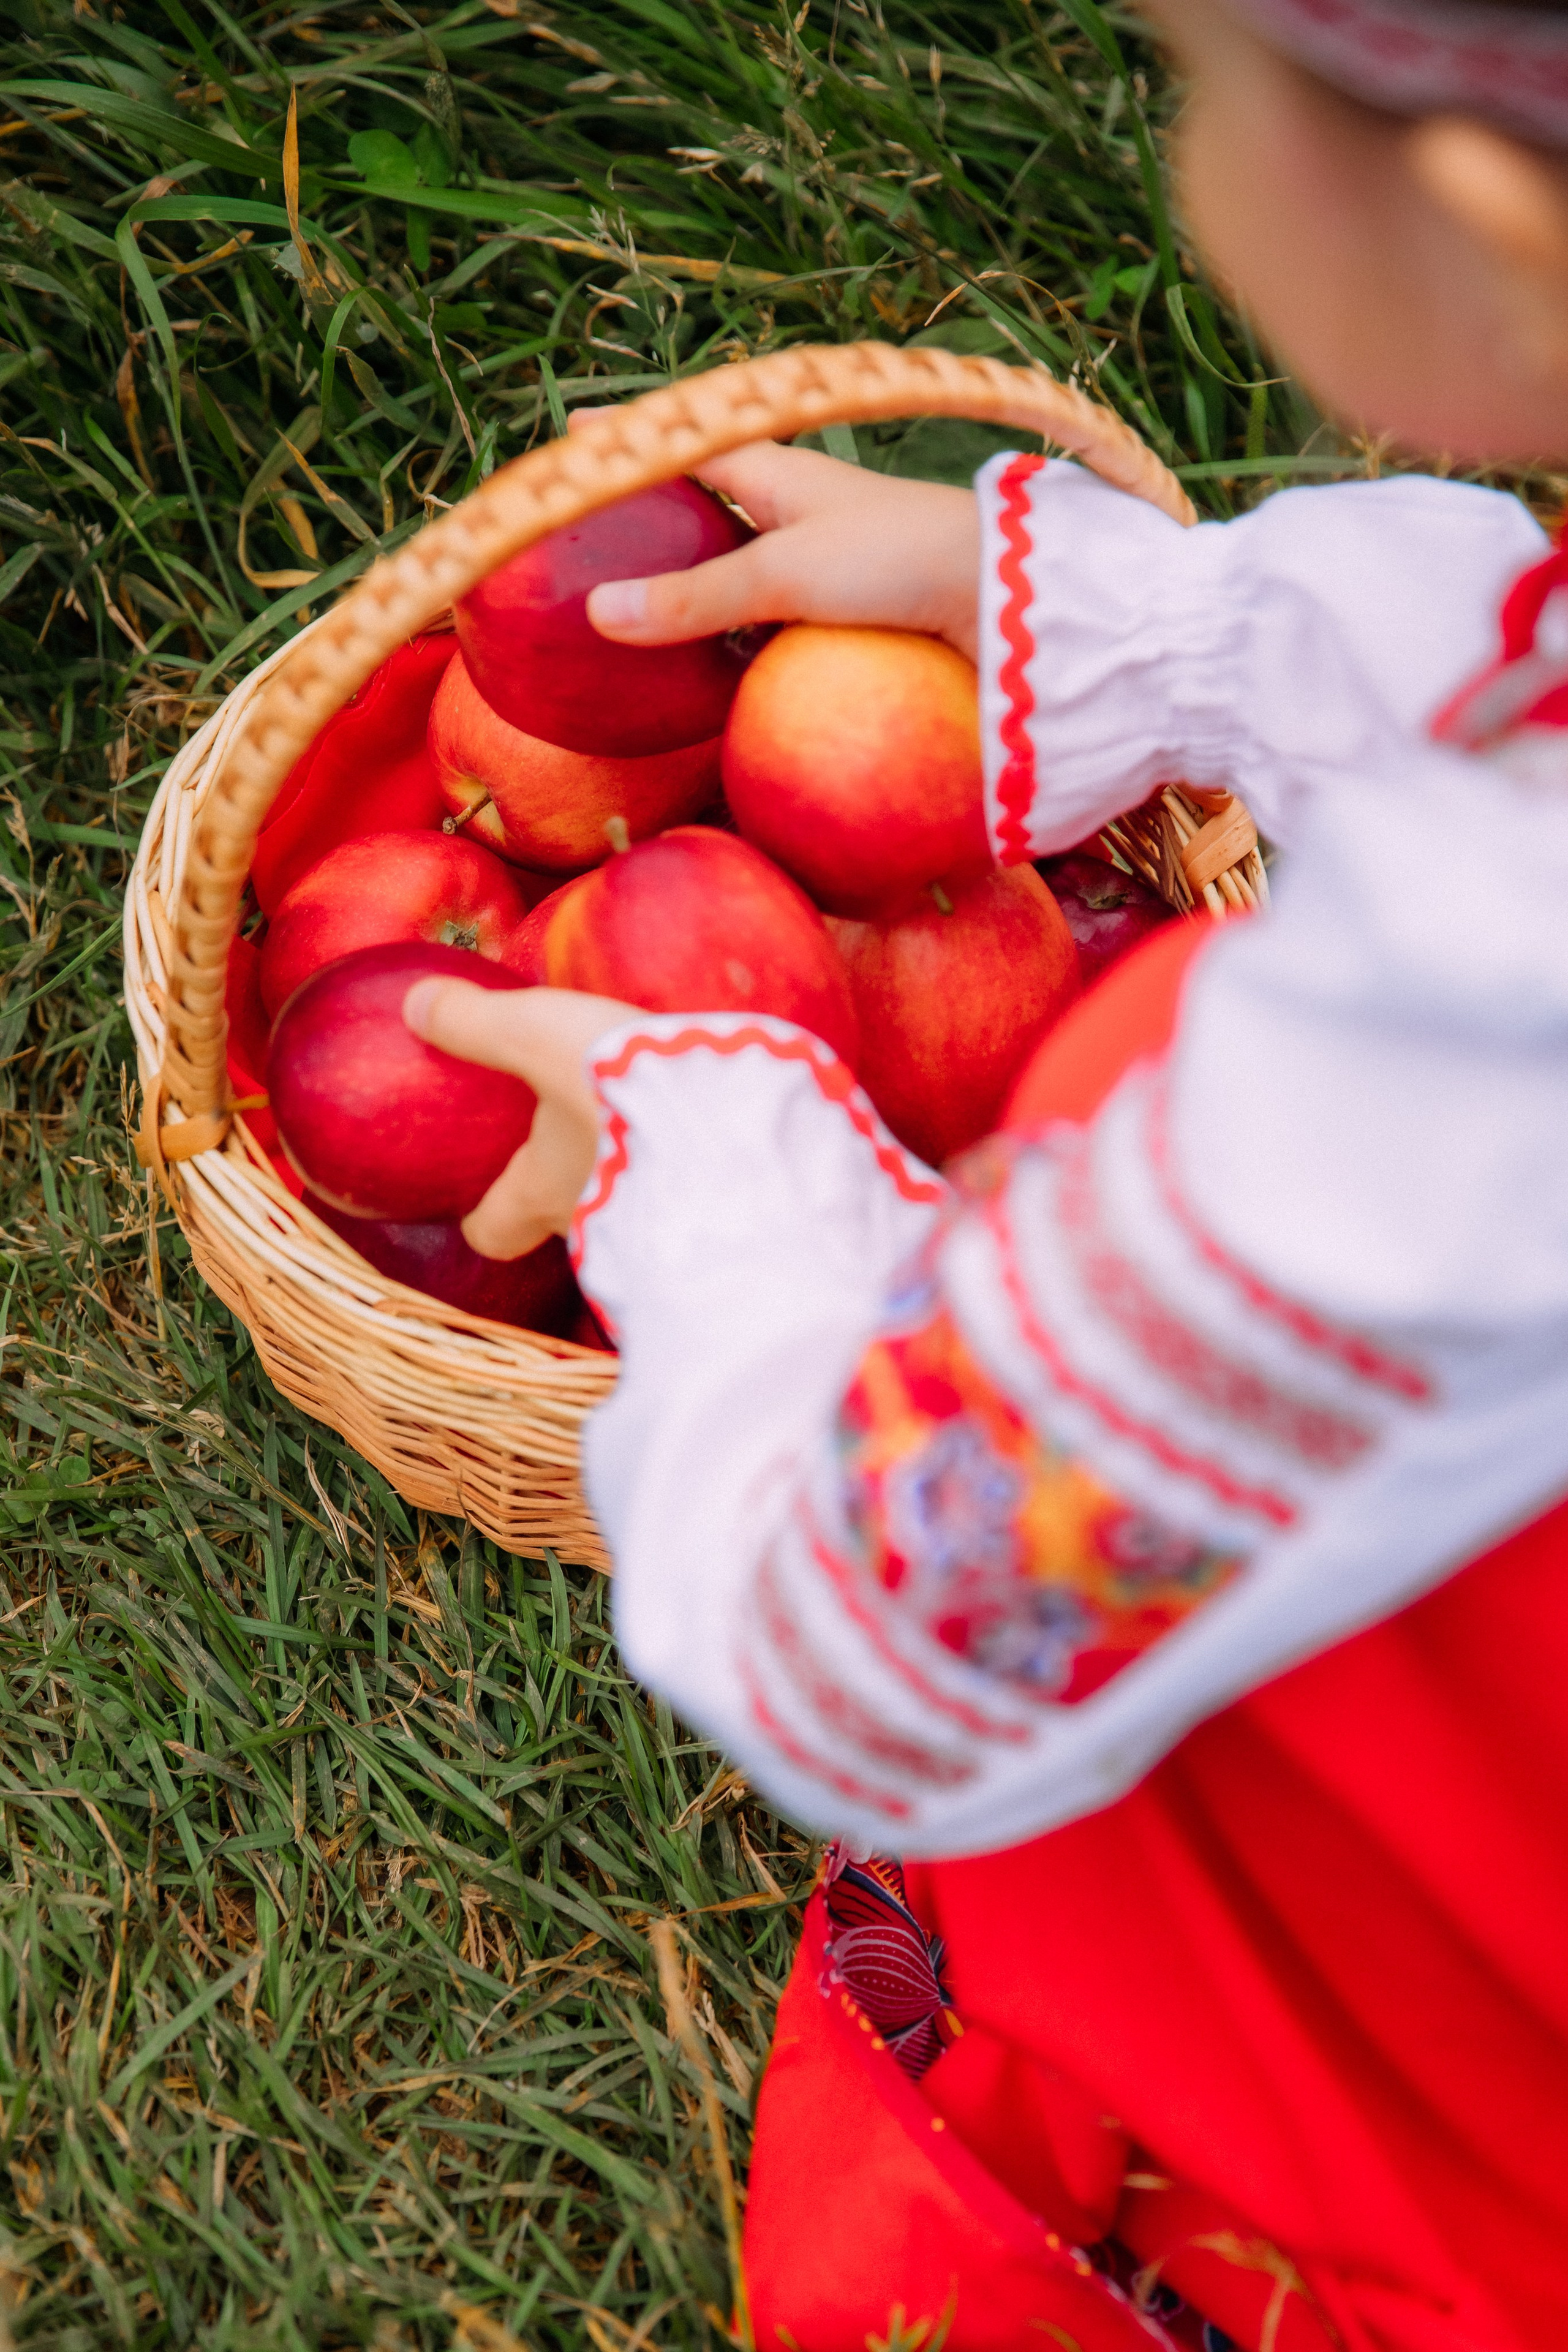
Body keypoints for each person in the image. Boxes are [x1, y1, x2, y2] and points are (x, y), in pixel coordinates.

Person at [402, 0, 1568, 2342]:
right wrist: (1178, 639)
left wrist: (699, 1137)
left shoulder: (1375, 1144)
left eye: (1199, 83)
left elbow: (867, 1633)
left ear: (1481, 222)